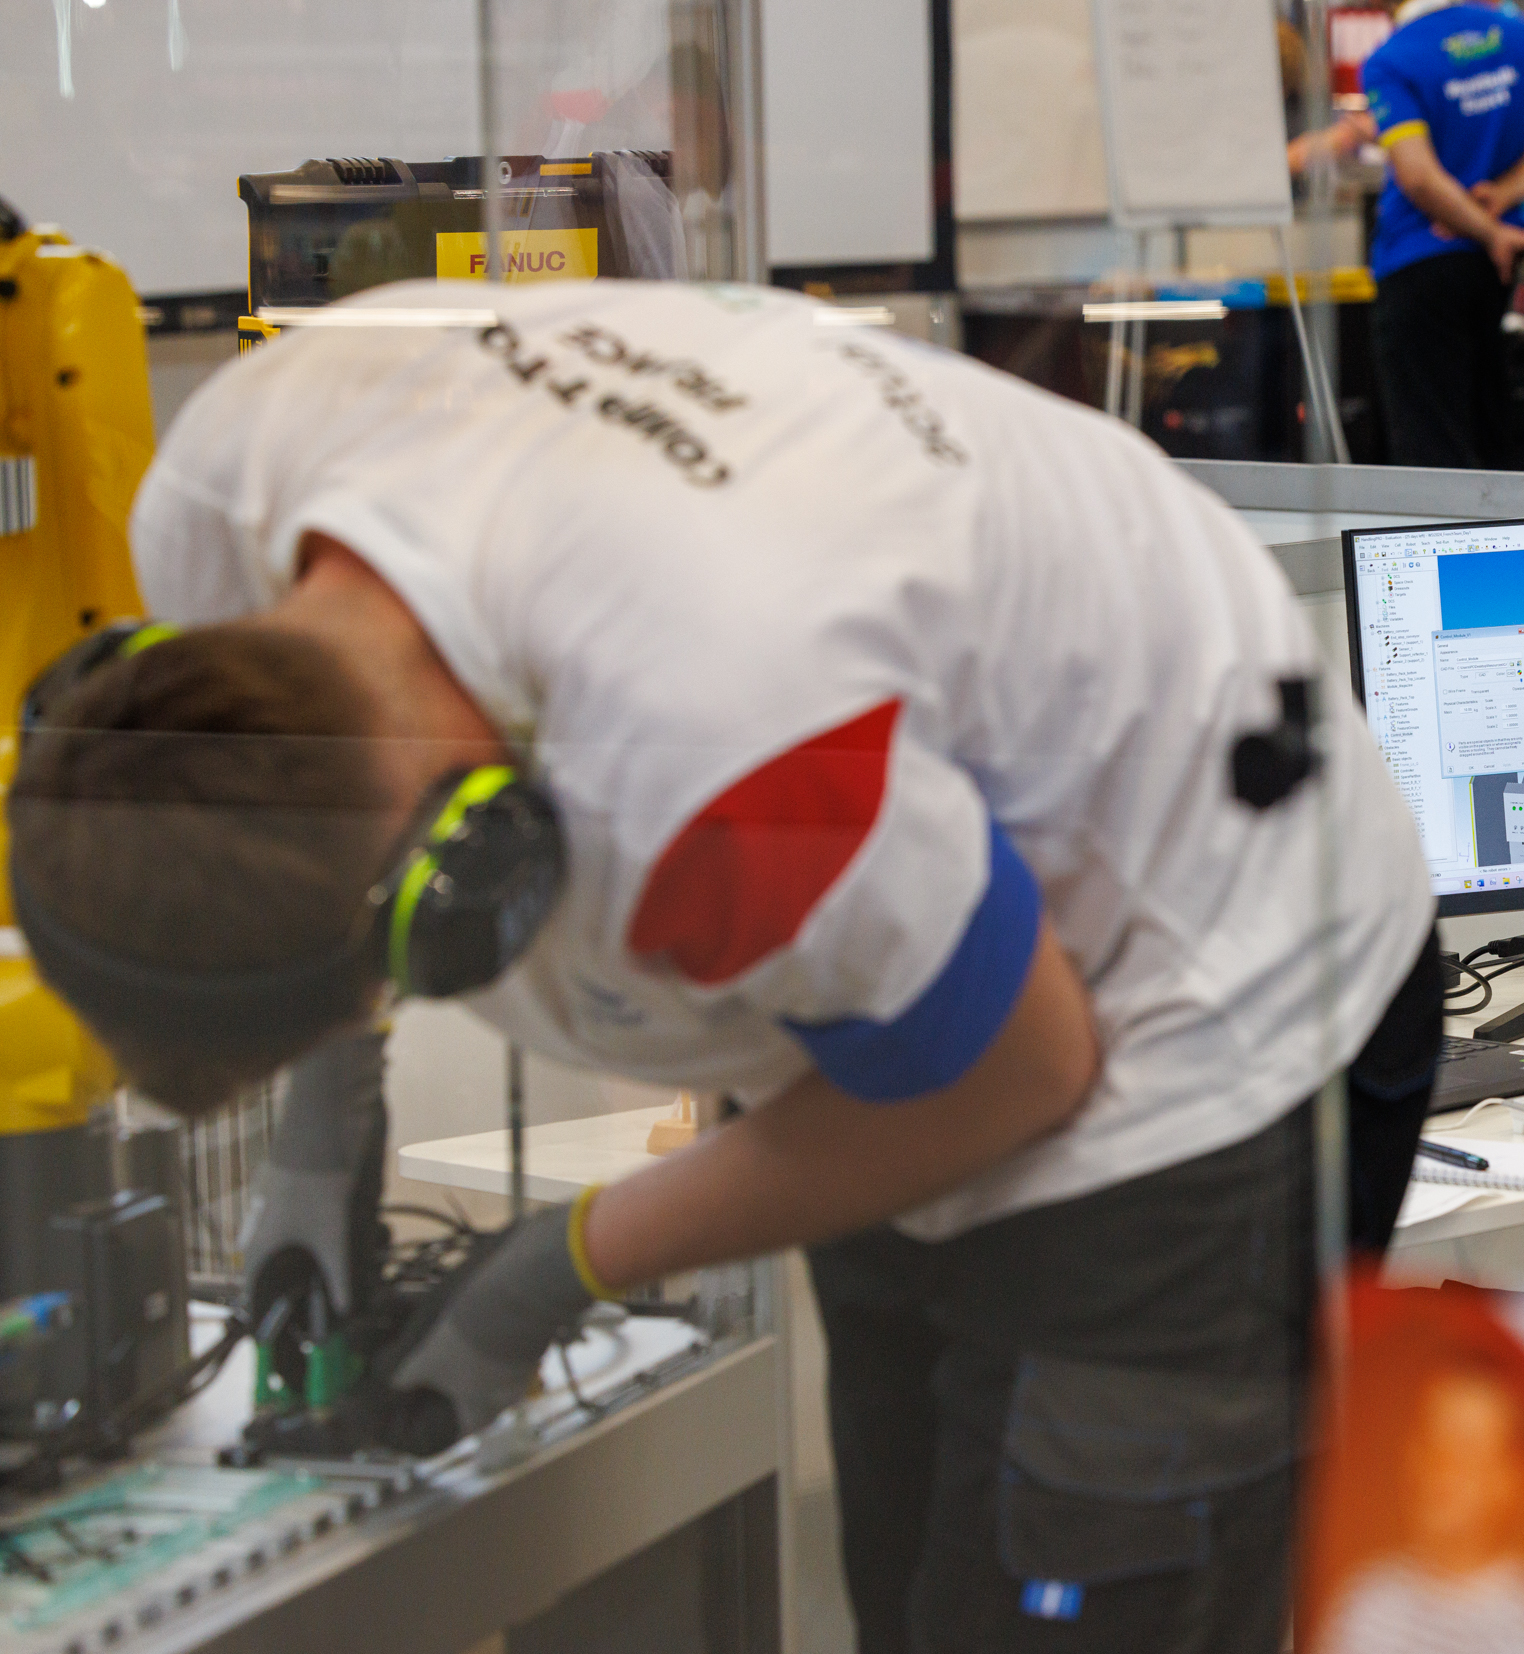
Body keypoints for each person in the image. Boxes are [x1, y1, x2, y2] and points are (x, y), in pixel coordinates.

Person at [6, 279, 1442, 1652]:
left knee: (1080, 1584)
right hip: (906, 863)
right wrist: (317, 1137)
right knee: (914, 1576)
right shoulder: (222, 500)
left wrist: (557, 1265)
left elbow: (1024, 1068)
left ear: (456, 879)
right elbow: (287, 800)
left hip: (1206, 974)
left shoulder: (714, 758)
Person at [1361, 0, 1524, 471]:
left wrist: (1484, 228)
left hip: (1422, 266)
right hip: (1512, 268)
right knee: (1514, 435)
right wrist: (1504, 196)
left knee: (1434, 449)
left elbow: (1418, 178)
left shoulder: (1392, 59)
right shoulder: (1522, 35)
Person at [1322, 1359, 1524, 1654]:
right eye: (1430, 1438)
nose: (1439, 1467)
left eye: (1467, 1449)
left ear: (1522, 1481)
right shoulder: (1366, 1600)